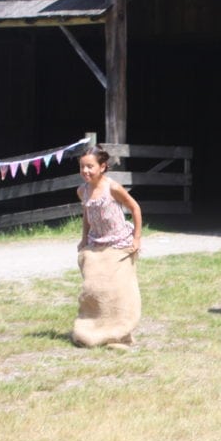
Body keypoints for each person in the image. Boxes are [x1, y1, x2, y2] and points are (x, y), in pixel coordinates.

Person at [71, 144, 143, 348]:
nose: (85, 171)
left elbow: (135, 208)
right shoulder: (82, 191)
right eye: (82, 167)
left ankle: (120, 331)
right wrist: (84, 238)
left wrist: (136, 239)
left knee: (118, 289)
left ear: (102, 167)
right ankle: (95, 328)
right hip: (97, 242)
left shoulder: (112, 188)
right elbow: (87, 214)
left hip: (118, 242)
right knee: (95, 287)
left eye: (90, 166)